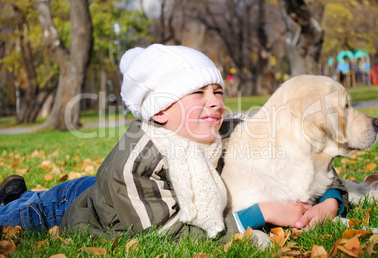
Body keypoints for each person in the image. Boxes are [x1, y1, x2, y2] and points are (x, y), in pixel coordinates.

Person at [0, 44, 348, 244]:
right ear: (161, 110)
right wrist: (262, 213)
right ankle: (16, 201)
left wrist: (328, 204)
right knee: (19, 215)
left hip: (115, 195)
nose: (215, 102)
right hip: (73, 209)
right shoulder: (134, 165)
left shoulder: (228, 130)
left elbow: (309, 163)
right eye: (198, 93)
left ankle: (17, 193)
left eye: (217, 92)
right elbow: (168, 235)